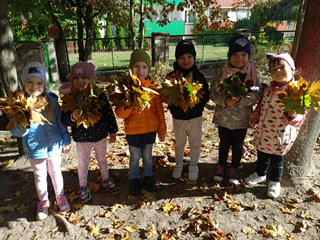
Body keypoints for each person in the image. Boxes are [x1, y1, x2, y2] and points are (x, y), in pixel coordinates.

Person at [10, 62, 71, 220]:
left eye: (39, 82)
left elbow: (60, 122)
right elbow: (15, 130)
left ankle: (60, 197)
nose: (34, 86)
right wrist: (23, 126)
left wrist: (65, 139)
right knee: (39, 176)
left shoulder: (52, 101)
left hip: (54, 145)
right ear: (23, 84)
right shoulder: (19, 104)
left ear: (45, 84)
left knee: (56, 173)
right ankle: (43, 202)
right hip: (34, 148)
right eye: (29, 82)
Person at [245, 52, 306, 198]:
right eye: (274, 70)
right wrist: (255, 116)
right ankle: (260, 174)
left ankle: (275, 181)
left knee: (277, 160)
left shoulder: (296, 92)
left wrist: (293, 115)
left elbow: (301, 116)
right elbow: (260, 106)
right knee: (262, 155)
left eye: (281, 67)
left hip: (281, 134)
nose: (277, 71)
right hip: (264, 132)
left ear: (292, 69)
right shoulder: (268, 90)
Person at [59, 61, 118, 203]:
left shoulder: (99, 95)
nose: (80, 81)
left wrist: (113, 131)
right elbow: (65, 119)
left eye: (84, 78)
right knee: (83, 163)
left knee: (102, 159)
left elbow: (109, 114)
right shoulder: (70, 97)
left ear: (92, 79)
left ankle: (105, 179)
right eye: (76, 79)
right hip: (82, 139)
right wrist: (72, 117)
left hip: (100, 137)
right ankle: (83, 186)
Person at [211, 34, 262, 185]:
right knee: (224, 142)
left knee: (238, 144)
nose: (240, 58)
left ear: (248, 56)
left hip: (242, 118)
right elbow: (213, 93)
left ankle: (234, 168)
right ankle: (221, 166)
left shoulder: (252, 73)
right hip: (224, 117)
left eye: (244, 55)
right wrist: (225, 101)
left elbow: (257, 94)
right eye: (236, 54)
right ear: (229, 56)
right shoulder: (221, 72)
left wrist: (241, 100)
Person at [115, 49, 166, 196]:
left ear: (148, 69)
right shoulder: (125, 89)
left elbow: (159, 111)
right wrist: (127, 101)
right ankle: (134, 178)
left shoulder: (153, 89)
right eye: (136, 66)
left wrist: (161, 130)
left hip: (150, 130)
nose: (140, 70)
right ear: (131, 69)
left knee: (148, 156)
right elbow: (120, 114)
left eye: (144, 67)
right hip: (134, 132)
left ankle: (148, 175)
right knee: (135, 158)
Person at [168, 40, 210, 182]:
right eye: (182, 57)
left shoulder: (199, 77)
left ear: (194, 57)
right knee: (179, 143)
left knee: (195, 143)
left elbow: (206, 96)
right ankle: (179, 164)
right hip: (178, 117)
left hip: (195, 117)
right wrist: (176, 107)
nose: (186, 60)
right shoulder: (171, 77)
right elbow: (167, 97)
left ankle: (193, 165)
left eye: (189, 57)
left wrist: (194, 105)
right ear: (177, 59)